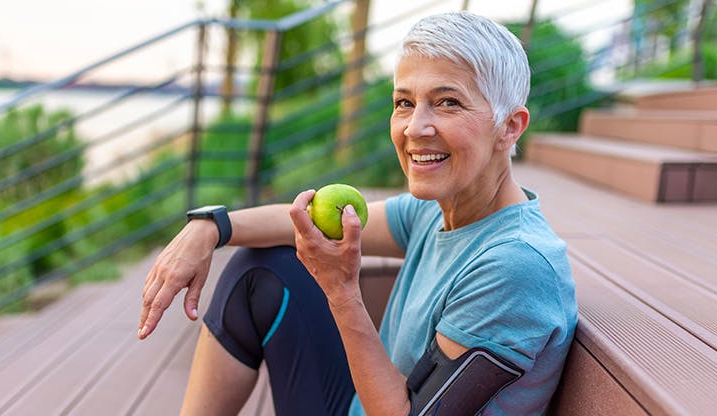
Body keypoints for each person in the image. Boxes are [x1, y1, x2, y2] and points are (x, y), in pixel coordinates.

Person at [138, 11, 576, 416]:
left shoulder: (515, 267)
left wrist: (341, 291)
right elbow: (299, 222)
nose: (415, 128)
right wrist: (210, 227)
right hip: (361, 402)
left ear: (510, 127)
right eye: (404, 102)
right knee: (260, 267)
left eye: (448, 103)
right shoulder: (440, 209)